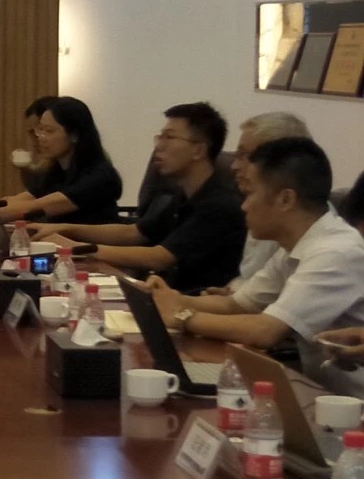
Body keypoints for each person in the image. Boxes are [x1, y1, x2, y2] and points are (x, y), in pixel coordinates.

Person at [148, 137, 364, 397]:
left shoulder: (335, 252)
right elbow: (237, 304)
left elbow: (265, 331)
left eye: (250, 194)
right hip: (321, 395)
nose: (243, 206)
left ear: (285, 199)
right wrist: (172, 300)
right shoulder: (296, 246)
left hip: (349, 403)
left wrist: (182, 317)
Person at [31, 102, 246, 292]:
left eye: (169, 137)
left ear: (198, 150)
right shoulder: (178, 196)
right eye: (160, 136)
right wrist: (64, 229)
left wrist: (72, 247)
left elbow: (159, 257)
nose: (158, 145)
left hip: (194, 307)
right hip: (163, 297)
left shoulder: (219, 205)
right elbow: (134, 232)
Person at [0, 97, 122, 224]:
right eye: (40, 130)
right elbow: (10, 203)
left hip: (93, 260)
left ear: (74, 135)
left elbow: (33, 208)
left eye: (49, 131)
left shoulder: (99, 176)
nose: (40, 137)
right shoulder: (56, 171)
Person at [227, 112, 312, 284]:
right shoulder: (259, 203)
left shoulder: (301, 220)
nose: (234, 166)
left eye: (244, 156)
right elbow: (253, 282)